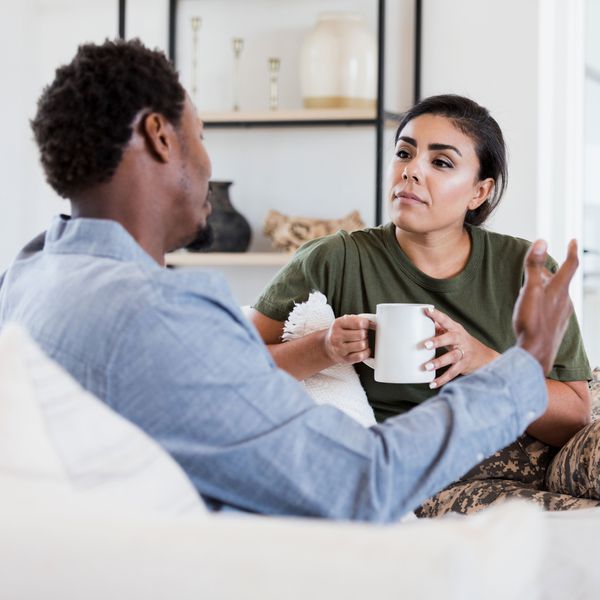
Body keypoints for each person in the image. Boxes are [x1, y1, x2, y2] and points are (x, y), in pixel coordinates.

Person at [0, 39, 581, 522]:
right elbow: (363, 482)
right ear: (159, 135)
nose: (207, 162)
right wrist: (525, 358)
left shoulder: (31, 274)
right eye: (200, 134)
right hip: (410, 476)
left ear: (481, 191)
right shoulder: (161, 319)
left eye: (442, 161)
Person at [250, 94, 599, 515]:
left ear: (479, 191)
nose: (411, 170)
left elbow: (576, 417)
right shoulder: (333, 260)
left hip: (538, 451)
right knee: (574, 523)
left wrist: (482, 360)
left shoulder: (524, 268)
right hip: (426, 470)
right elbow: (234, 369)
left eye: (441, 162)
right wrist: (323, 348)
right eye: (404, 153)